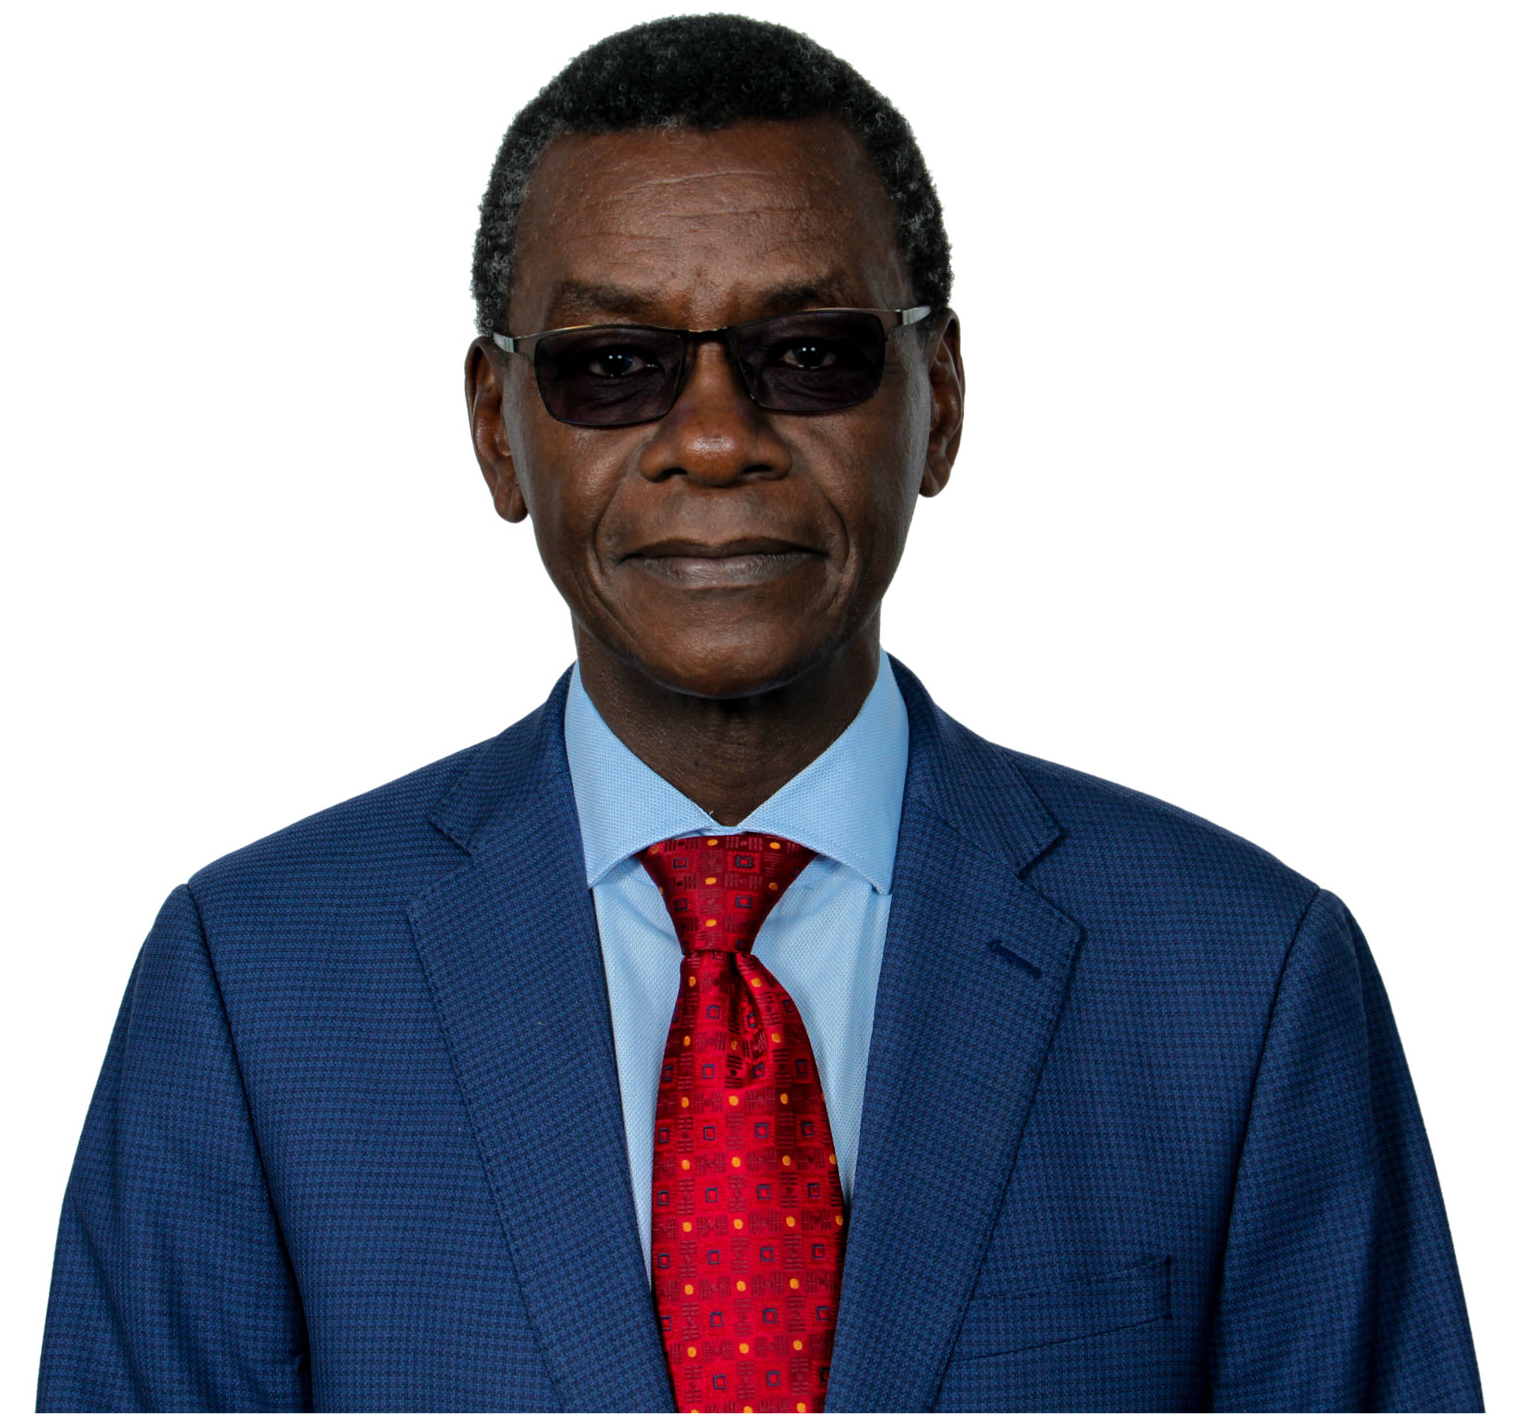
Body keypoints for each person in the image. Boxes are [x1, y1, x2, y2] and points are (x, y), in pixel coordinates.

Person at [37, 15, 1482, 1413]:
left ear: (941, 398)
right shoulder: (250, 989)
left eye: (807, 353)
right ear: (497, 430)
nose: (718, 439)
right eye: (614, 365)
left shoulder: (1245, 984)